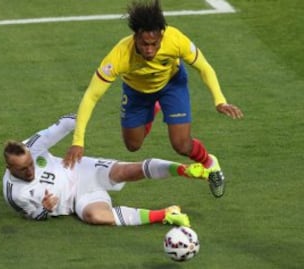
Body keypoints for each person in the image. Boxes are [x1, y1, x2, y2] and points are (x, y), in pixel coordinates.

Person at [64, 0, 244, 198]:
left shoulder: (175, 39)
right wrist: (78, 141)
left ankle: (210, 163)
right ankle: (154, 107)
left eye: (154, 44)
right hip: (136, 92)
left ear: (162, 36)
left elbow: (204, 67)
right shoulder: (119, 55)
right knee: (133, 146)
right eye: (144, 44)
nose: (149, 49)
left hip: (171, 85)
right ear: (135, 38)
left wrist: (220, 100)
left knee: (181, 145)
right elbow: (91, 95)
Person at [3, 114, 213, 225]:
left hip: (79, 170)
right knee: (98, 218)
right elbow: (33, 217)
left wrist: (79, 133)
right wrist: (46, 209)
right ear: (9, 167)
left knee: (125, 172)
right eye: (23, 169)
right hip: (77, 201)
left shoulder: (33, 146)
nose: (30, 170)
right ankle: (166, 214)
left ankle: (183, 169)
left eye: (31, 164)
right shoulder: (15, 194)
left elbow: (66, 123)